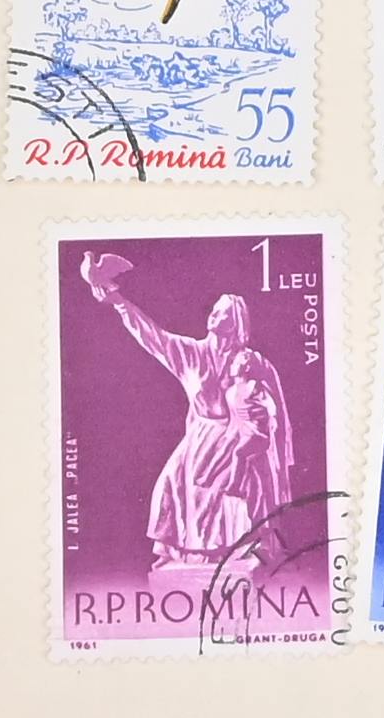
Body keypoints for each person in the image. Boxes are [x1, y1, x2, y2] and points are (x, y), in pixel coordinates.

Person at [88, 249, 296, 584]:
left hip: (236, 439)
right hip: (201, 435)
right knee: (169, 484)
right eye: (214, 310)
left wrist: (267, 447)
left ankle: (228, 552)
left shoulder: (253, 362)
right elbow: (153, 336)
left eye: (224, 313)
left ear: (236, 322)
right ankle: (184, 553)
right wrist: (118, 301)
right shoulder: (191, 354)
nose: (215, 315)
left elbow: (275, 413)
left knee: (224, 490)